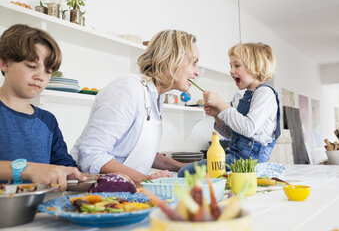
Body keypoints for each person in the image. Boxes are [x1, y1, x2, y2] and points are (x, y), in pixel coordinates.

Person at [72, 30, 200, 184]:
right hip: (93, 194)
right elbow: (91, 155)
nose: (197, 72)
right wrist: (146, 179)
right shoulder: (127, 89)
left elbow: (138, 151)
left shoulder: (156, 96)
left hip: (124, 192)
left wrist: (181, 167)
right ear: (173, 58)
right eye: (194, 62)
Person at [0, 24, 86, 190]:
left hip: (39, 211)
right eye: (32, 66)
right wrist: (28, 169)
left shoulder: (47, 120)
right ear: (4, 63)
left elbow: (66, 168)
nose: (40, 76)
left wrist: (107, 179)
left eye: (48, 71)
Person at [178, 42, 281, 176]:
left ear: (256, 67)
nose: (231, 71)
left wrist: (222, 105)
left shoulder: (264, 93)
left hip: (248, 161)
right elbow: (235, 135)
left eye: (237, 65)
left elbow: (248, 128)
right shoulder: (246, 96)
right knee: (189, 171)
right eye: (230, 66)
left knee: (186, 173)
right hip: (236, 157)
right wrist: (218, 115)